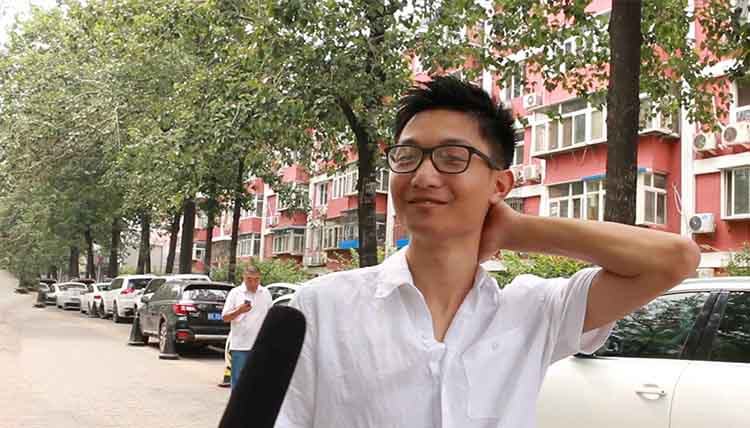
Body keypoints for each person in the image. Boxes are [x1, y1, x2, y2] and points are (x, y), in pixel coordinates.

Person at [276, 76, 700, 428]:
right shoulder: (321, 308)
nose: (423, 176)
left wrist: (519, 230)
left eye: (452, 158)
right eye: (407, 156)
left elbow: (675, 258)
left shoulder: (532, 313)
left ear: (500, 185)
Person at [222, 264, 272, 389]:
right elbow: (225, 317)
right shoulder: (235, 293)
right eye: (249, 279)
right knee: (238, 383)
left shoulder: (265, 293)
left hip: (260, 346)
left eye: (256, 279)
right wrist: (239, 310)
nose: (253, 283)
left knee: (258, 384)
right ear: (243, 278)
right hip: (240, 346)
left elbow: (270, 318)